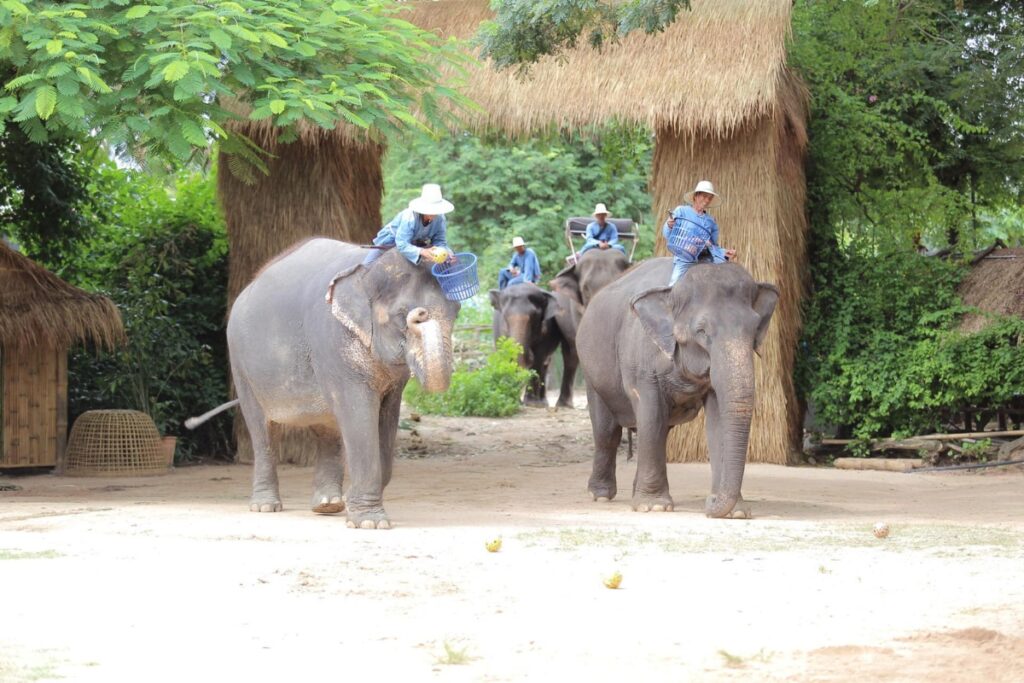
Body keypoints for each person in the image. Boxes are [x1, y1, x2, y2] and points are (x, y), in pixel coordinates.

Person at [663, 180, 736, 286]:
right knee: (674, 286)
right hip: (685, 257)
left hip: (705, 258)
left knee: (728, 280)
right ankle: (670, 299)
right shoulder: (681, 211)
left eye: (709, 198)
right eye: (704, 196)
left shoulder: (711, 221)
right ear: (696, 196)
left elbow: (713, 246)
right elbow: (667, 234)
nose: (707, 200)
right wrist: (669, 225)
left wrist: (724, 252)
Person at [363, 183, 454, 266]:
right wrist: (422, 251)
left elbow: (440, 241)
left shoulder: (440, 219)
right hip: (393, 240)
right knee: (367, 265)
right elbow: (402, 243)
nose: (433, 213)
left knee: (448, 263)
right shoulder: (410, 217)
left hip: (416, 243)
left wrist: (446, 253)